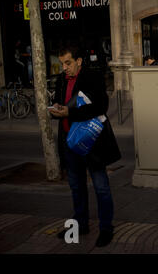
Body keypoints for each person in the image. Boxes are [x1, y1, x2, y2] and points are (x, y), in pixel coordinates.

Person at [49, 44, 121, 247]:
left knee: (101, 186)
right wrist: (55, 109)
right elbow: (59, 103)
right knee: (76, 187)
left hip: (90, 142)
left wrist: (69, 113)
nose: (64, 67)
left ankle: (106, 228)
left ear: (78, 61)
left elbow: (100, 106)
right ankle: (80, 225)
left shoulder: (92, 77)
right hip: (69, 142)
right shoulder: (61, 80)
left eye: (68, 63)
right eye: (62, 63)